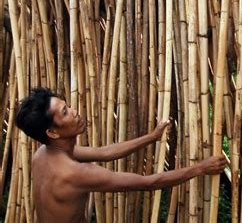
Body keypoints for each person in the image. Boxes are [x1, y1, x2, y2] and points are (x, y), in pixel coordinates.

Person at [15, 87, 227, 223]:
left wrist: (151, 137)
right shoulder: (75, 173)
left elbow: (104, 153)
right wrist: (200, 168)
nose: (75, 112)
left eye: (67, 107)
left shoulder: (43, 153)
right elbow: (148, 183)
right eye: (65, 113)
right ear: (52, 132)